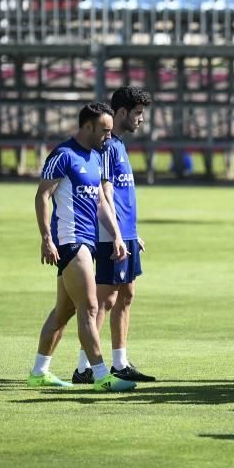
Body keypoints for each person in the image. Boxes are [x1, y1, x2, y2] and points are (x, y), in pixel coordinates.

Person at [28, 103, 135, 392]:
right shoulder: (63, 155)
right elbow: (42, 196)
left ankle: (39, 371)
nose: (108, 137)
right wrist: (46, 239)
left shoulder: (97, 157)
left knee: (63, 312)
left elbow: (101, 201)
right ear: (88, 127)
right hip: (70, 241)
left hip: (88, 240)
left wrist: (115, 235)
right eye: (104, 130)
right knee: (90, 306)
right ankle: (101, 376)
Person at [70, 87, 154, 384]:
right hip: (109, 234)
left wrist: (132, 233)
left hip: (125, 232)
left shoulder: (118, 144)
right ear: (122, 113)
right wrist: (116, 234)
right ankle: (85, 368)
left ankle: (119, 362)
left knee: (126, 295)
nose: (141, 119)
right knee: (104, 300)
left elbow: (120, 194)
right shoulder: (105, 146)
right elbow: (102, 194)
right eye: (138, 113)